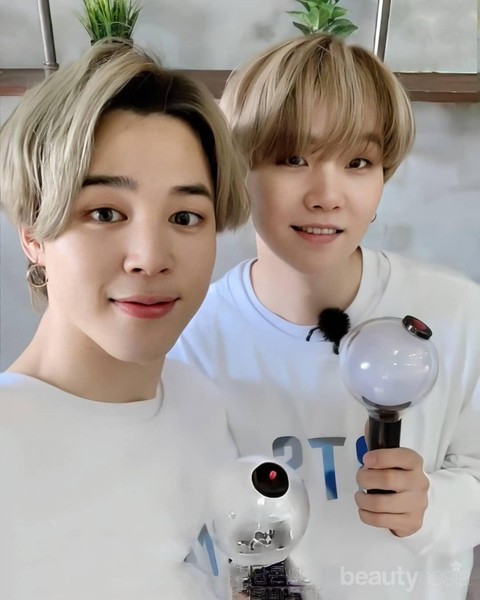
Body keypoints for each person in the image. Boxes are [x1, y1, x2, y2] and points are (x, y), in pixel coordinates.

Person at [169, 33, 480, 600]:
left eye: (359, 162)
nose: (327, 195)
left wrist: (431, 506)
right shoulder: (190, 338)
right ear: (238, 167)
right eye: (293, 159)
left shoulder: (456, 313)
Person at [0, 40, 249, 600]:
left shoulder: (199, 406)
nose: (150, 257)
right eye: (106, 212)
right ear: (34, 235)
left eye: (185, 217)